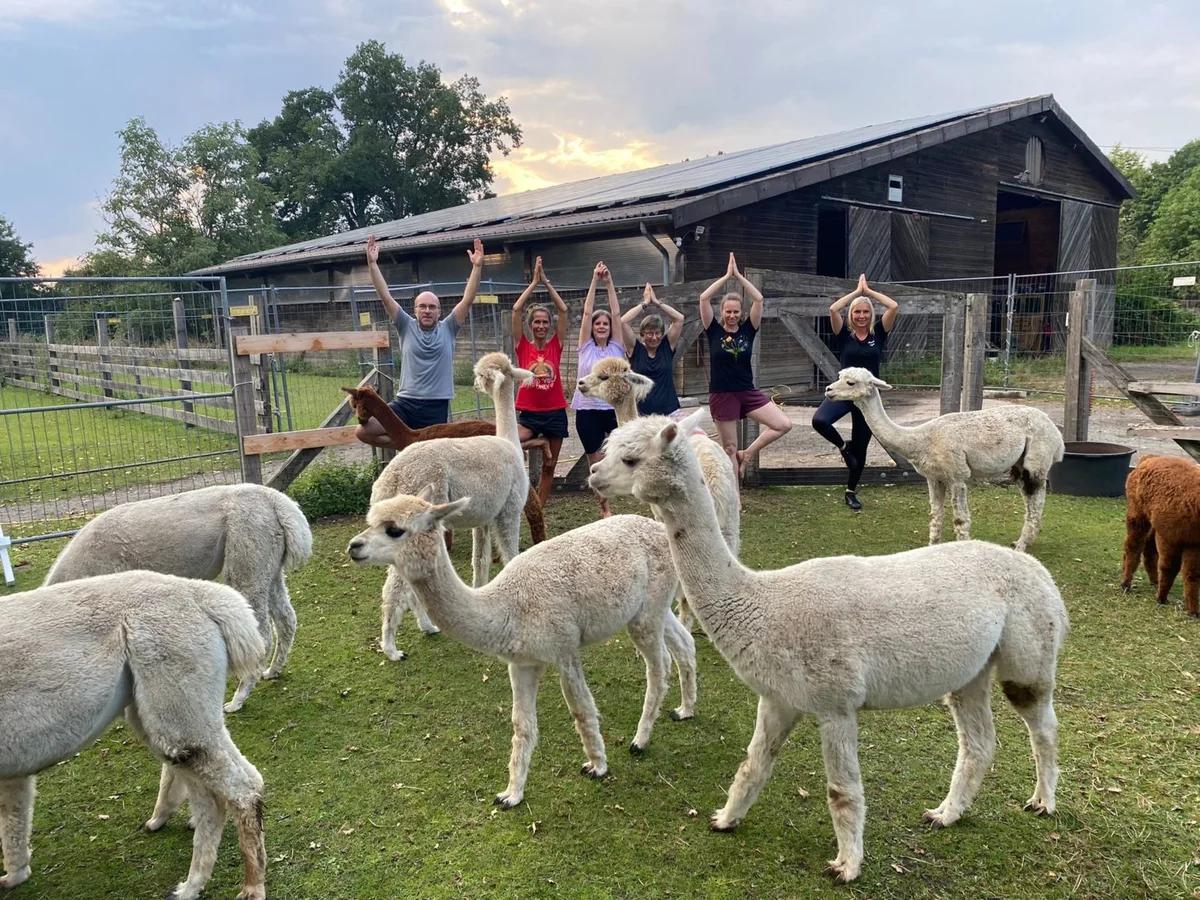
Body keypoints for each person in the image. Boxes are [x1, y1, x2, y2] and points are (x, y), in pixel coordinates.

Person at [356, 234, 485, 448]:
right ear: (414, 310)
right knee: (364, 432)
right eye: (422, 306)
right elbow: (385, 296)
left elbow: (468, 298)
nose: (427, 310)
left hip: (436, 407)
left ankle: (413, 446)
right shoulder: (405, 325)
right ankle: (409, 445)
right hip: (405, 403)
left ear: (439, 311)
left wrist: (477, 267)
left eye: (432, 307)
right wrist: (372, 264)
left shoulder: (449, 328)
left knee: (432, 453)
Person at [812, 273, 901, 510]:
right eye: (857, 312)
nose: (861, 316)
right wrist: (856, 293)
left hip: (867, 398)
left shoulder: (879, 334)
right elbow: (833, 309)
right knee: (820, 420)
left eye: (865, 312)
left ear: (871, 315)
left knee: (861, 447)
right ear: (851, 316)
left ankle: (851, 491)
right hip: (844, 392)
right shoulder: (843, 335)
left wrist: (868, 292)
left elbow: (893, 306)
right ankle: (844, 448)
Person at [700, 252, 793, 478]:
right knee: (729, 449)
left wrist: (740, 278)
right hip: (722, 394)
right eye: (728, 311)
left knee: (783, 424)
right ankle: (736, 500)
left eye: (735, 311)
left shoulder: (748, 330)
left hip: (747, 392)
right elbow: (703, 298)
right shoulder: (713, 330)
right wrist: (726, 277)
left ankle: (748, 453)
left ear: (741, 313)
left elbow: (759, 299)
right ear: (721, 312)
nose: (732, 315)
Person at [511, 256, 569, 507]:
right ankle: (539, 442)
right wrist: (534, 283)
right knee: (512, 443)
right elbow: (515, 309)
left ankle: (540, 509)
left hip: (555, 412)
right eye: (537, 322)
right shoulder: (522, 346)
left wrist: (546, 282)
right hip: (530, 414)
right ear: (530, 325)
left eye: (545, 322)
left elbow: (564, 310)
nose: (541, 325)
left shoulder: (557, 345)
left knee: (549, 466)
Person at [570, 261, 624, 517]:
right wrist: (594, 280)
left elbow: (616, 312)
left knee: (618, 456)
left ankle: (618, 490)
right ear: (592, 327)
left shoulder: (616, 347)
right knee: (596, 462)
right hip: (588, 410)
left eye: (605, 323)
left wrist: (609, 282)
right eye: (597, 324)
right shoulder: (585, 347)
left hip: (611, 409)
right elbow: (587, 311)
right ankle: (605, 509)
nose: (602, 326)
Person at [620, 282, 685, 418]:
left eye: (657, 333)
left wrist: (657, 303)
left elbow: (679, 319)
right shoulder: (635, 349)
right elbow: (623, 322)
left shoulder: (667, 347)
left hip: (670, 412)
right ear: (642, 334)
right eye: (649, 333)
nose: (654, 337)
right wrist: (644, 303)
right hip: (643, 415)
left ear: (662, 334)